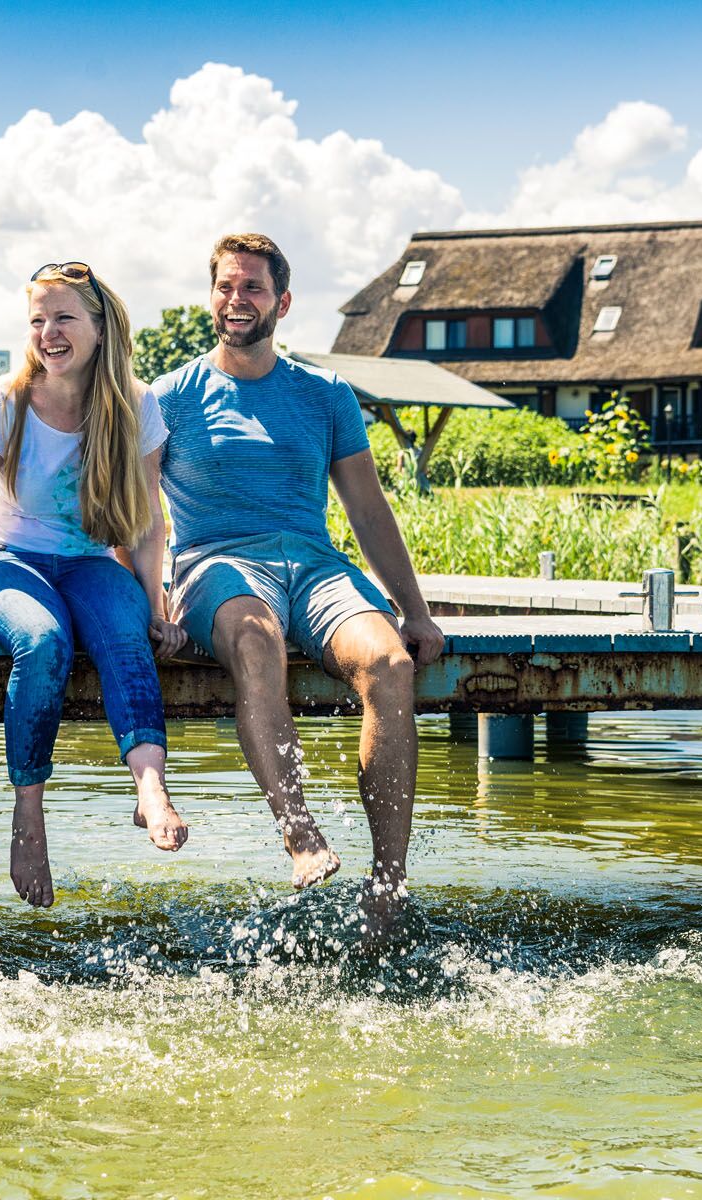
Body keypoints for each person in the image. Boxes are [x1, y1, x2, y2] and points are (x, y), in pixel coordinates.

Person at [153, 233, 443, 934]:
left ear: (281, 301)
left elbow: (368, 511)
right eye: (225, 285)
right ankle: (300, 832)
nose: (236, 299)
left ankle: (388, 886)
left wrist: (418, 612)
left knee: (389, 663)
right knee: (257, 640)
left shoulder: (325, 394)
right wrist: (149, 602)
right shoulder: (169, 397)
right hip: (217, 566)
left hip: (314, 566)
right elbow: (133, 514)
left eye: (252, 287)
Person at [0, 262, 188, 908]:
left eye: (64, 317)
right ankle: (29, 815)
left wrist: (156, 606)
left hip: (91, 563)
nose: (49, 332)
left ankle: (150, 786)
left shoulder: (136, 404)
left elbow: (149, 522)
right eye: (38, 320)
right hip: (11, 563)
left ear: (99, 328)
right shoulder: (2, 404)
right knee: (43, 642)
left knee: (126, 634)